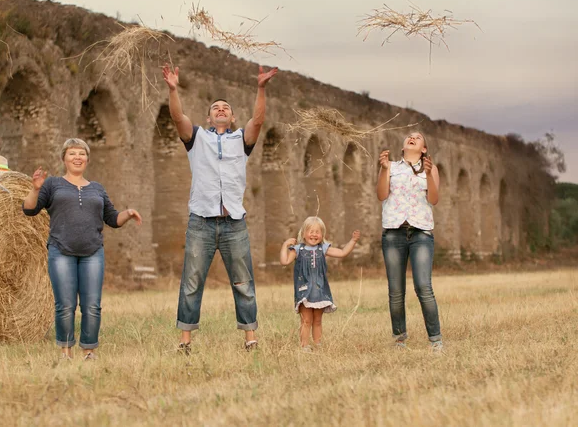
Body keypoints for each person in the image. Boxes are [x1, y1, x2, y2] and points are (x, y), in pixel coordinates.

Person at [162, 63, 278, 353]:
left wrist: (261, 88)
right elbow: (177, 117)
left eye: (226, 107)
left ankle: (250, 340)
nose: (221, 109)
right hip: (201, 221)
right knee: (191, 282)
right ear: (208, 116)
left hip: (233, 223)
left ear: (233, 116)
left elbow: (259, 120)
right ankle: (185, 342)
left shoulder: (241, 140)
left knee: (243, 282)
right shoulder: (197, 138)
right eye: (216, 107)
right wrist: (173, 90)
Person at [23, 138, 142, 360]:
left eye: (82, 153)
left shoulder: (97, 188)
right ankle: (65, 352)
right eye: (72, 153)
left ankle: (89, 351)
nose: (77, 157)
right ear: (64, 159)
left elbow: (112, 219)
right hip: (61, 250)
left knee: (92, 306)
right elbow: (29, 210)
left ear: (87, 159)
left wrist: (128, 213)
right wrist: (35, 189)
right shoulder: (53, 185)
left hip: (93, 252)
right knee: (65, 305)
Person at [376, 132, 443, 352]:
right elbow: (381, 195)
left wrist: (430, 174)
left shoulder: (431, 169)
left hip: (421, 233)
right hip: (393, 233)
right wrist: (384, 170)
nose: (412, 138)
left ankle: (436, 340)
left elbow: (433, 199)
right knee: (395, 289)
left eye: (418, 137)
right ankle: (399, 339)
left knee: (423, 286)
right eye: (409, 136)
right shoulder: (391, 167)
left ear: (424, 149)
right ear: (404, 145)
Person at [279, 216, 360, 350]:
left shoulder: (323, 249)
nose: (314, 234)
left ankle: (318, 345)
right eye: (311, 231)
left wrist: (353, 240)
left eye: (317, 232)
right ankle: (304, 346)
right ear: (304, 233)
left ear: (322, 235)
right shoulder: (298, 249)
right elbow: (284, 261)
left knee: (317, 320)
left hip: (320, 290)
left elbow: (342, 252)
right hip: (304, 290)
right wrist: (285, 245)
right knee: (306, 320)